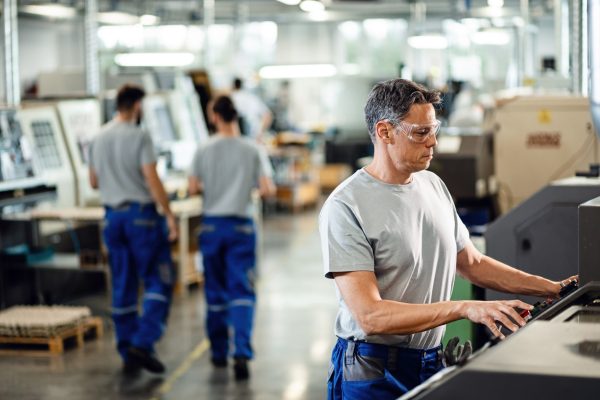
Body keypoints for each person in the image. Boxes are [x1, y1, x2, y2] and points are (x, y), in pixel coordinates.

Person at [318, 78, 577, 400]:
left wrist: (551, 288)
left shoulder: (432, 185)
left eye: (434, 129)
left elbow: (472, 262)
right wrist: (464, 308)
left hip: (430, 358)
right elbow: (371, 316)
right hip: (373, 369)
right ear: (384, 132)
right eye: (421, 133)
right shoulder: (346, 205)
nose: (433, 143)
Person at [89, 84, 178, 375]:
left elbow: (93, 181)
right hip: (141, 218)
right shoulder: (140, 136)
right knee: (159, 280)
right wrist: (168, 213)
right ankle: (143, 341)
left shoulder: (98, 137)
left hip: (112, 217)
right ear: (137, 106)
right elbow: (151, 179)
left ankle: (127, 351)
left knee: (123, 283)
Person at [188, 95, 276, 380]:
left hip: (212, 226)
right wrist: (244, 189)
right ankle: (241, 352)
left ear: (215, 116)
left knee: (214, 292)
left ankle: (217, 353)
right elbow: (267, 189)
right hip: (242, 227)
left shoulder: (203, 149)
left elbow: (192, 188)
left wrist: (214, 186)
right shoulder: (252, 149)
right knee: (242, 291)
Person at [230, 77, 273, 141]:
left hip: (237, 140)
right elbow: (268, 115)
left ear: (233, 86)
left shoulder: (231, 99)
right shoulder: (252, 98)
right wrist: (260, 133)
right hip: (254, 138)